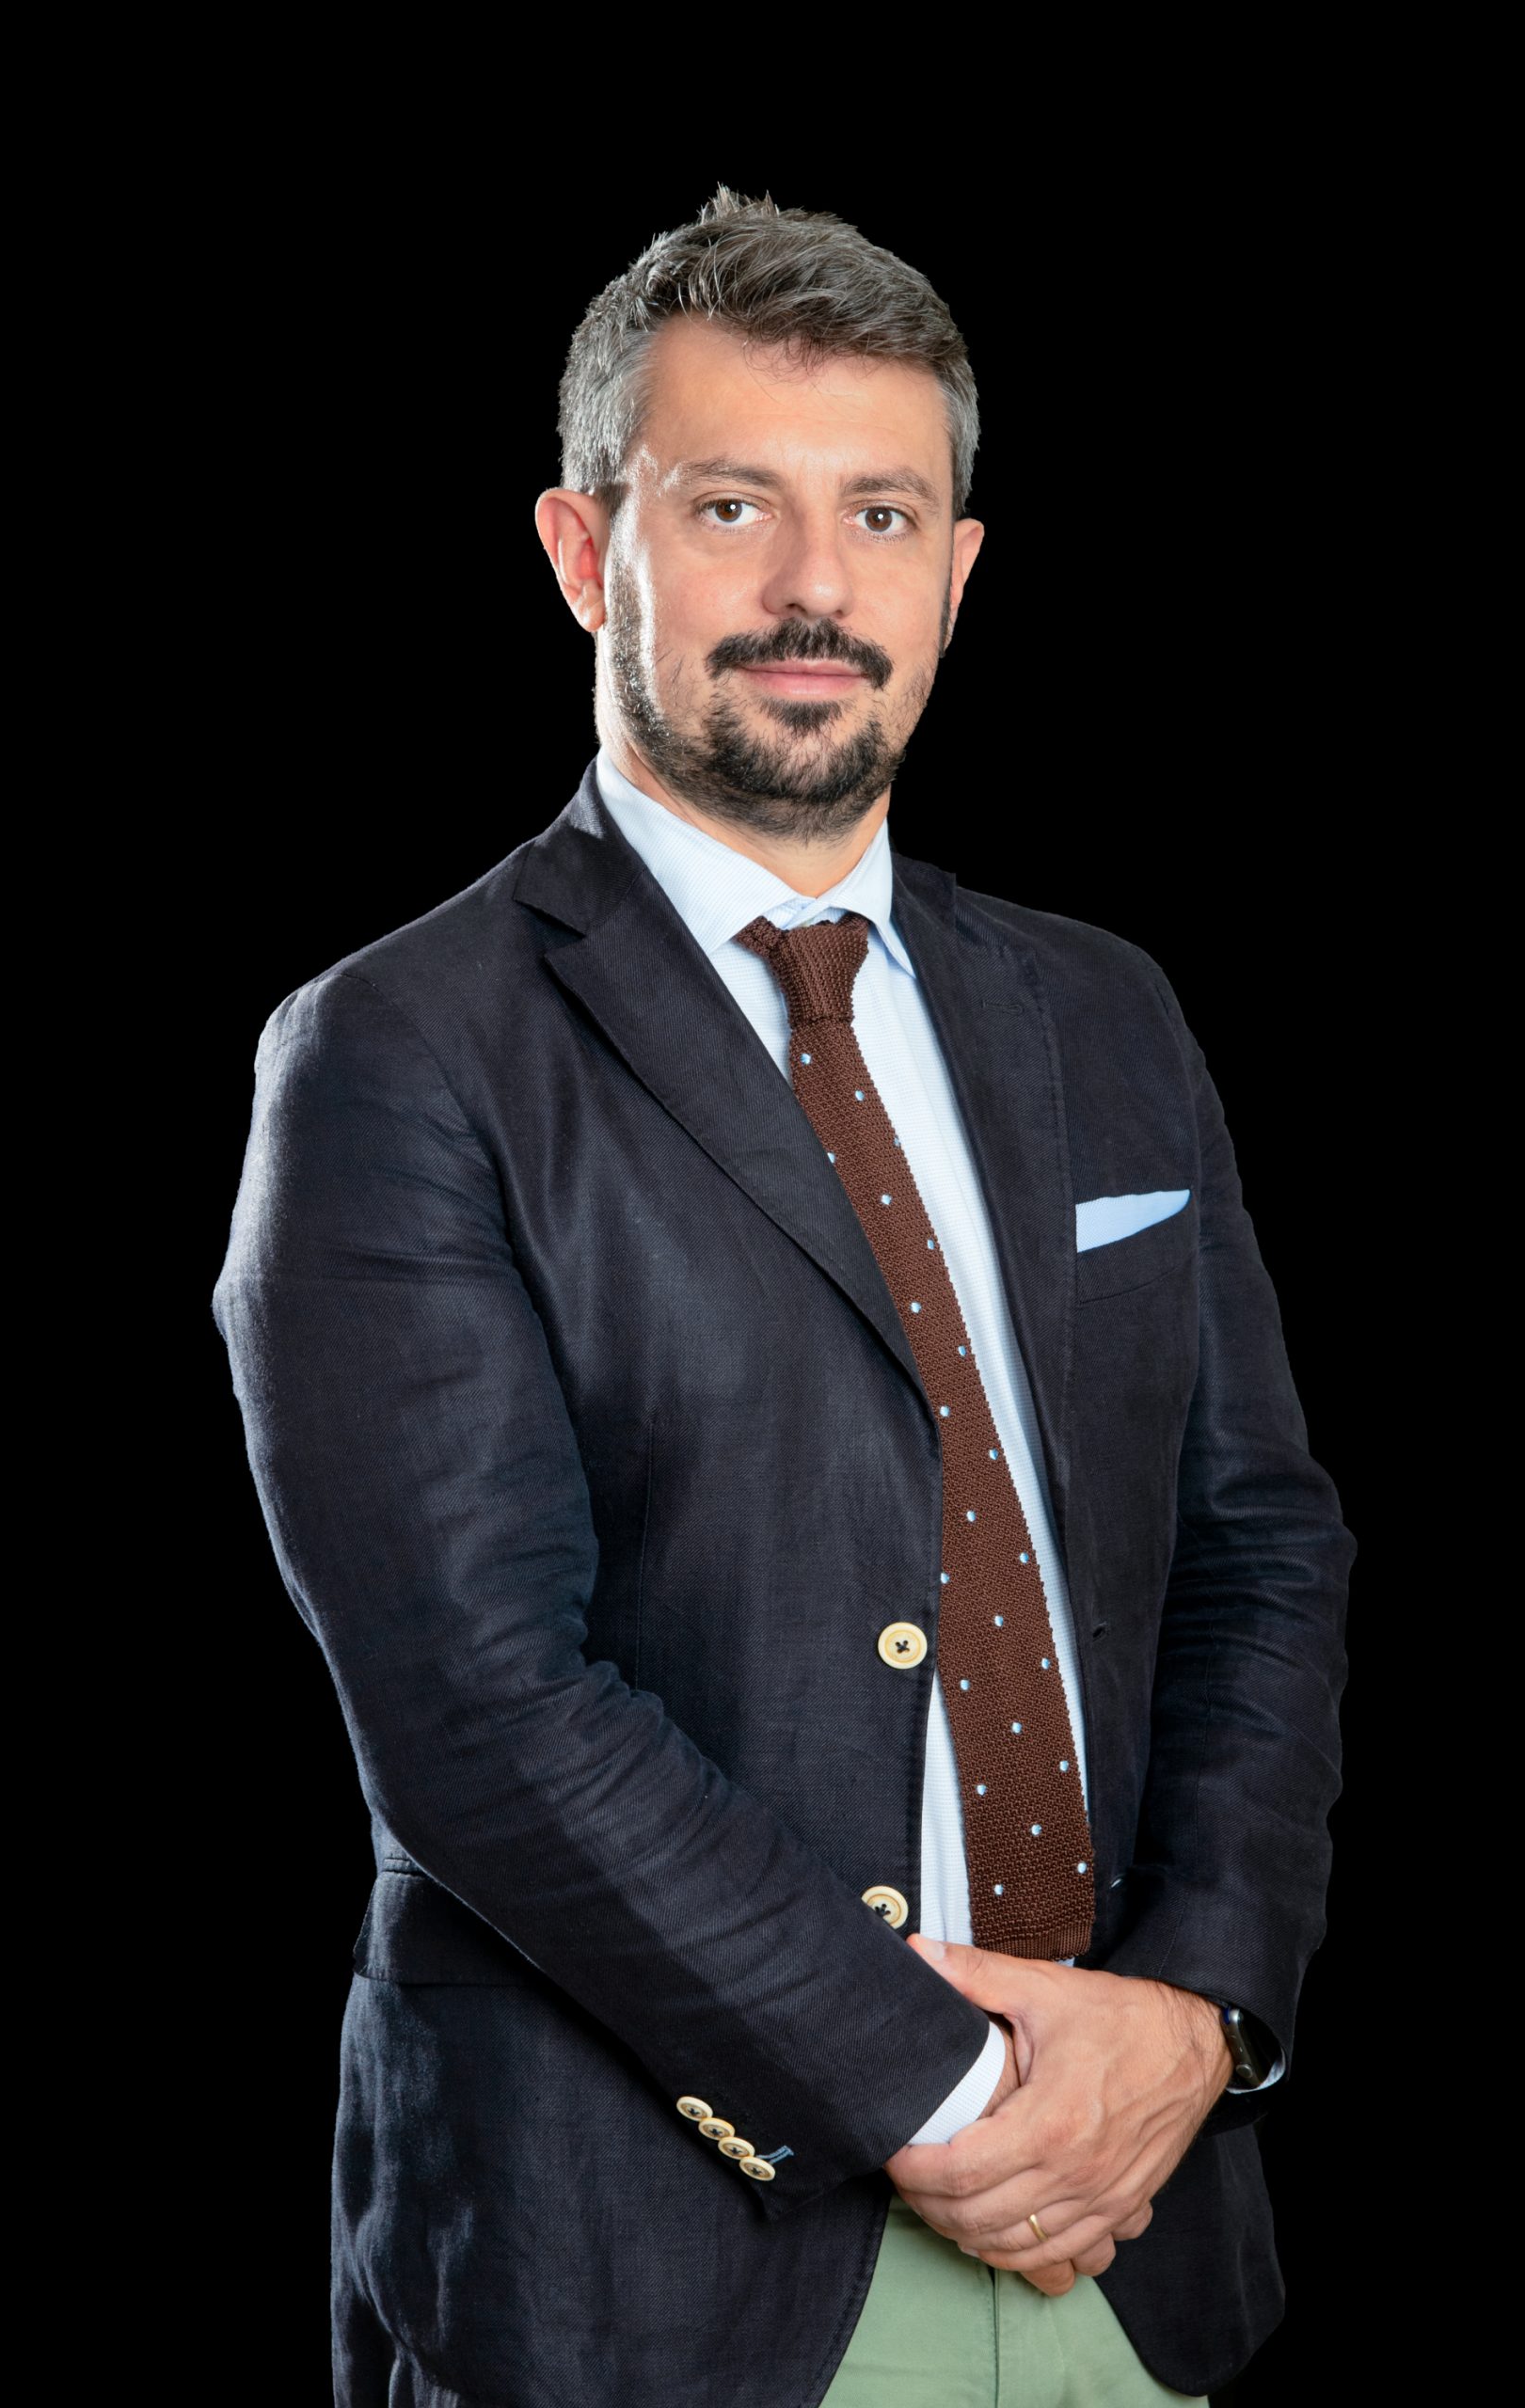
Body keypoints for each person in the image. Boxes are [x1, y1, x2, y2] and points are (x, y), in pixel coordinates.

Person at [214, 187, 1354, 2407]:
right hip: (663, 2272)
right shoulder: (397, 1053)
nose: (814, 585)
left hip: (1137, 2237)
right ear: (583, 551)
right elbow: (476, 1705)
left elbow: (1256, 1547)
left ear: (957, 571)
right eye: (731, 505)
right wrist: (950, 2090)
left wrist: (1193, 2012)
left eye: (879, 513)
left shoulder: (1103, 1014)